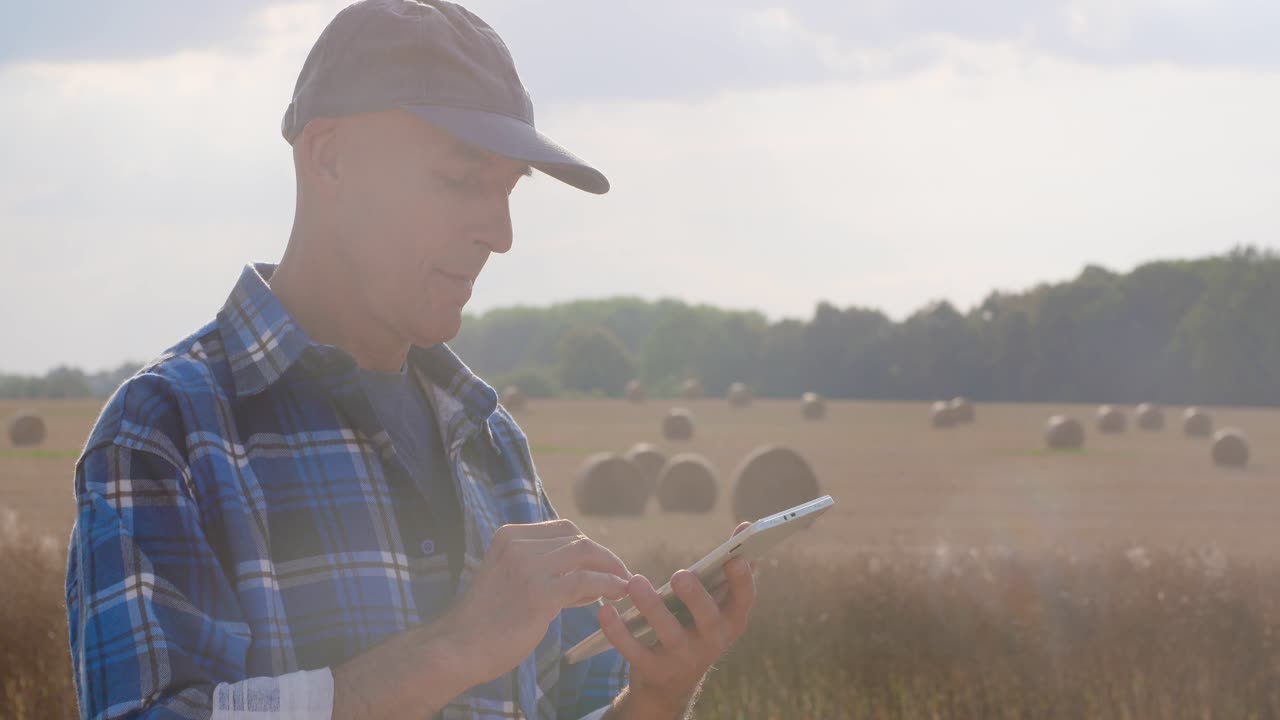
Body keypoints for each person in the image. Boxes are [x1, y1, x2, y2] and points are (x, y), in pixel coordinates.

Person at [64, 1, 756, 718]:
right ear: (329, 157)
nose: (501, 234)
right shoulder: (167, 432)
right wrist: (455, 647)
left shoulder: (490, 441)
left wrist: (658, 694)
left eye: (508, 188)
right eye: (460, 180)